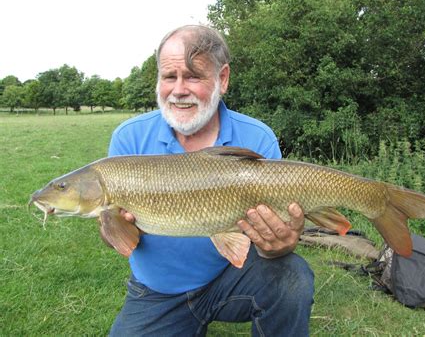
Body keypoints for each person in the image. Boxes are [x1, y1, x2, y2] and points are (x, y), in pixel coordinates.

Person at [106, 25, 314, 336]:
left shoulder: (258, 138)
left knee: (292, 275)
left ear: (223, 79)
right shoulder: (128, 139)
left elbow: (271, 244)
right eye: (169, 77)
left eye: (192, 76)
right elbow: (121, 241)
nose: (178, 89)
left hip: (232, 276)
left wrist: (277, 246)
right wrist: (112, 226)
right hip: (156, 292)